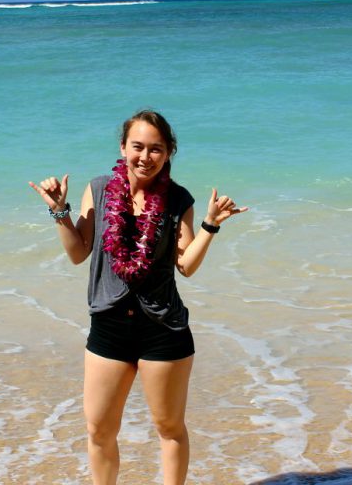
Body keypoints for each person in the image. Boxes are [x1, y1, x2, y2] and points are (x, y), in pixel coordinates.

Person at [29, 109, 247, 485]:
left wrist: (211, 225)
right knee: (98, 430)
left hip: (163, 328)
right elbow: (80, 252)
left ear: (168, 153)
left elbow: (186, 265)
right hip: (109, 325)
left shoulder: (179, 199)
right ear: (123, 147)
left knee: (169, 427)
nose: (145, 157)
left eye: (156, 149)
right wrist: (59, 211)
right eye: (138, 147)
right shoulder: (98, 189)